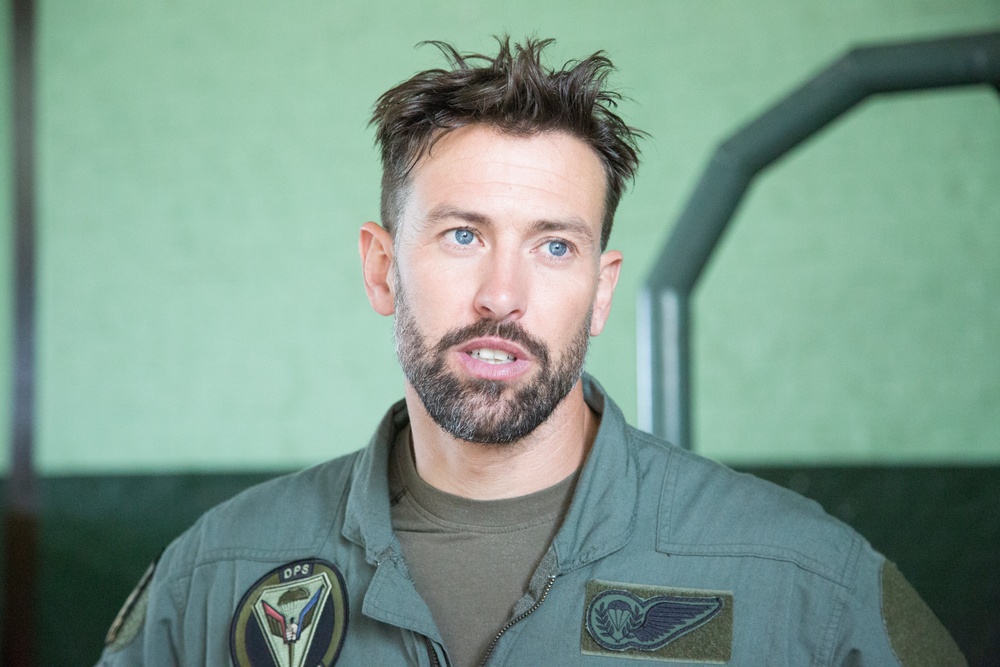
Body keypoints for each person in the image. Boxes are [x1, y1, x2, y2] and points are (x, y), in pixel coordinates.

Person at [97, 37, 965, 667]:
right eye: (464, 234)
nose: (502, 294)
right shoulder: (219, 575)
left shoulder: (801, 583)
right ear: (381, 267)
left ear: (601, 288)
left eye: (554, 246)